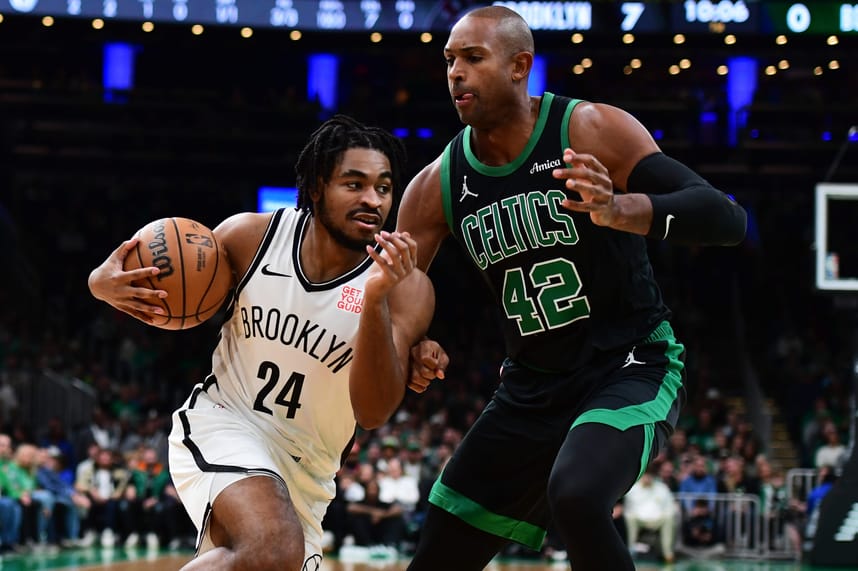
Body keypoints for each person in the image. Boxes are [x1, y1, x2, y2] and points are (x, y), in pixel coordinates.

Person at [400, 6, 747, 570]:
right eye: (448, 61)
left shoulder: (586, 128)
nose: (455, 73)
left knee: (579, 496)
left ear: (520, 66)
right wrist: (411, 341)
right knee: (439, 545)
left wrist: (621, 207)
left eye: (472, 58)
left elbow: (726, 218)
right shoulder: (440, 181)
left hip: (629, 364)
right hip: (530, 389)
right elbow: (398, 281)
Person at [87, 115, 435, 571]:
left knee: (263, 554)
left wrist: (373, 301)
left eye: (384, 188)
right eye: (354, 184)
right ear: (315, 187)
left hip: (310, 477)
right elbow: (163, 279)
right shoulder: (252, 238)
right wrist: (100, 283)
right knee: (270, 545)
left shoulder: (406, 288)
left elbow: (372, 412)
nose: (372, 200)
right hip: (227, 425)